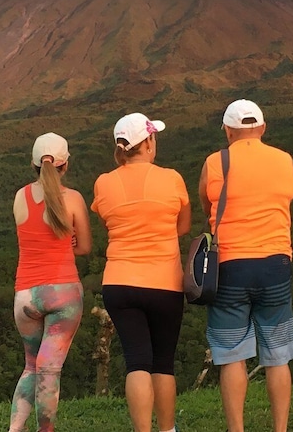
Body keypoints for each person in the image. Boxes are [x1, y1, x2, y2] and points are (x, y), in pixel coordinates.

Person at [198, 99, 293, 432]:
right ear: (263, 129)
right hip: (275, 262)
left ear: (227, 131)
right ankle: (280, 429)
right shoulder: (284, 160)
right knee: (278, 353)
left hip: (230, 265)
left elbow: (206, 203)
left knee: (231, 354)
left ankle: (236, 429)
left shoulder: (215, 162)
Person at [91, 112, 191, 432]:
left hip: (119, 281)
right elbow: (184, 226)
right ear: (148, 143)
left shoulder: (104, 182)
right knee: (162, 363)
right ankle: (167, 429)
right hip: (164, 283)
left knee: (137, 361)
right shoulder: (172, 178)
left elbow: (108, 222)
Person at [10, 132, 92, 432]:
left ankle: (15, 429)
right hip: (63, 294)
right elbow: (84, 246)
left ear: (33, 164)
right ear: (65, 165)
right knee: (50, 371)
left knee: (32, 366)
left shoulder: (20, 197)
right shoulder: (73, 199)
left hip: (26, 297)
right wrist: (67, 241)